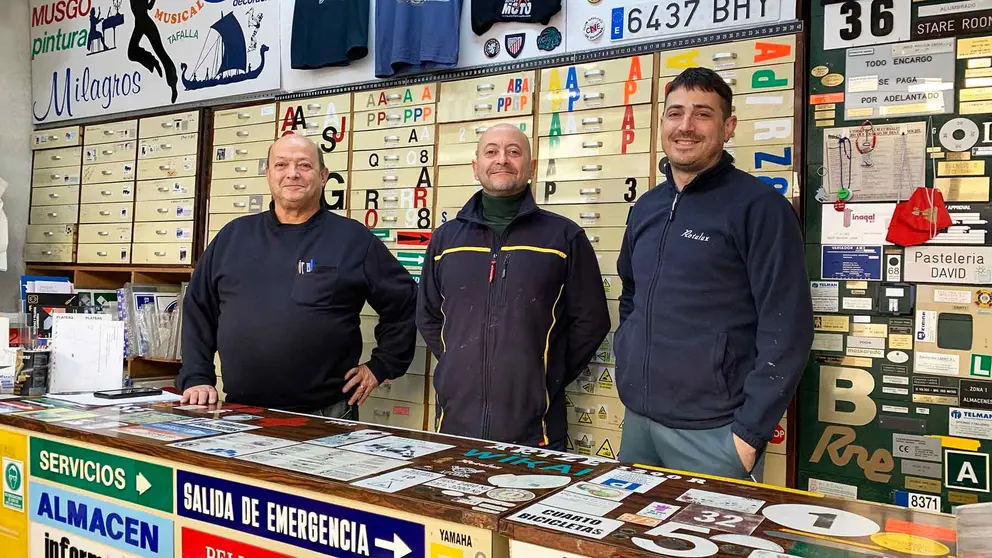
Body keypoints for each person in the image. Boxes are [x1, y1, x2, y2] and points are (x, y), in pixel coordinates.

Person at [615, 68, 814, 480]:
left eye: (702, 114)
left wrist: (748, 435)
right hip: (639, 422)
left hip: (715, 433)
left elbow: (788, 327)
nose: (685, 126)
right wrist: (628, 356)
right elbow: (631, 294)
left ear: (728, 127)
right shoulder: (647, 208)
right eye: (675, 113)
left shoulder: (760, 208)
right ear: (663, 123)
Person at [177, 134, 419, 418]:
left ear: (323, 176)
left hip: (327, 412)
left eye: (304, 165)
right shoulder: (233, 237)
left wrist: (382, 365)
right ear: (268, 174)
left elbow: (406, 303)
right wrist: (196, 375)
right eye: (281, 165)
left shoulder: (353, 239)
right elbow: (198, 309)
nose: (292, 173)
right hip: (240, 412)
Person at [417, 124, 611, 450]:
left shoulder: (564, 238)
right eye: (491, 151)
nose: (502, 159)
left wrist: (542, 375)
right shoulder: (446, 239)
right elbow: (428, 315)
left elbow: (591, 323)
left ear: (531, 167)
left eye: (514, 151)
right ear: (476, 167)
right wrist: (459, 365)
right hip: (454, 424)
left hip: (537, 431)